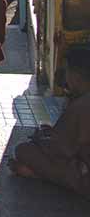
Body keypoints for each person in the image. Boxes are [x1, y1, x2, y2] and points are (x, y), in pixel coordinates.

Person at [8, 47, 90, 199]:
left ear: (76, 75)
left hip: (83, 174)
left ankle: (39, 175)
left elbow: (60, 150)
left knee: (23, 150)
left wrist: (41, 139)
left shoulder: (81, 105)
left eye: (67, 72)